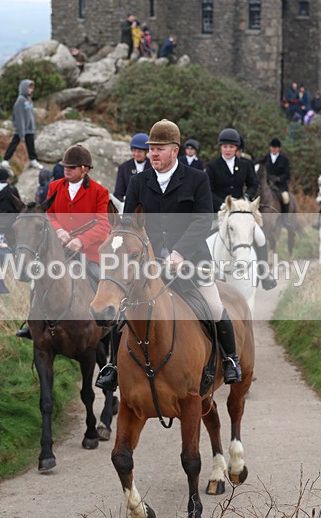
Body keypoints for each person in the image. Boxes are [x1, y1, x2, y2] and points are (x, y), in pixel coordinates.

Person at [110, 119, 242, 391]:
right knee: (122, 310)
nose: (153, 154)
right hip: (148, 265)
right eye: (151, 149)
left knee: (214, 307)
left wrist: (180, 253)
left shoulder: (197, 179)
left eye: (159, 148)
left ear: (175, 150)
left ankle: (230, 359)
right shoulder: (137, 181)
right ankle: (112, 365)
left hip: (192, 261)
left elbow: (202, 220)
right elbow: (129, 225)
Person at [15, 144, 110, 340]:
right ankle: (33, 322)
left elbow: (103, 224)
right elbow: (48, 214)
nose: (66, 169)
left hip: (89, 253)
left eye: (71, 167)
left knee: (99, 278)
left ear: (84, 169)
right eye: (65, 166)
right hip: (58, 251)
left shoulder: (100, 191)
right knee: (38, 279)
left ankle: (106, 320)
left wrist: (80, 241)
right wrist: (58, 230)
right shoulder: (54, 186)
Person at [206, 128, 276, 290]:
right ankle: (205, 272)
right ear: (220, 147)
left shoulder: (244, 165)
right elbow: (208, 191)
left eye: (231, 147)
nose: (228, 150)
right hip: (221, 210)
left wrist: (246, 198)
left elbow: (254, 184)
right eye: (225, 147)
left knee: (260, 237)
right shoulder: (213, 167)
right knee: (205, 236)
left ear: (236, 148)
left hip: (242, 210)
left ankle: (263, 273)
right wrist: (221, 204)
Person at [2, 79, 43, 170]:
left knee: (30, 145)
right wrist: (21, 132)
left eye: (32, 88)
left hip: (30, 128)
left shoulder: (29, 99)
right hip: (22, 128)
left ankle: (33, 160)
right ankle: (5, 159)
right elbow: (19, 116)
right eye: (29, 88)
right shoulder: (20, 100)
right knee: (14, 143)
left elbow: (30, 114)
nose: (30, 90)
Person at [114, 132, 149, 202]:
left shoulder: (153, 167)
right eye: (134, 151)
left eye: (139, 151)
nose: (136, 154)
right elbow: (118, 193)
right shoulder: (124, 167)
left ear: (146, 151)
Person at [260, 138, 291, 215]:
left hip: (280, 186)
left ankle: (284, 218)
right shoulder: (265, 158)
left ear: (279, 149)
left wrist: (279, 178)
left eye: (276, 148)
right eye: (273, 147)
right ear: (270, 148)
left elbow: (287, 174)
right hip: (267, 184)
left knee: (285, 198)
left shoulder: (284, 159)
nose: (274, 149)